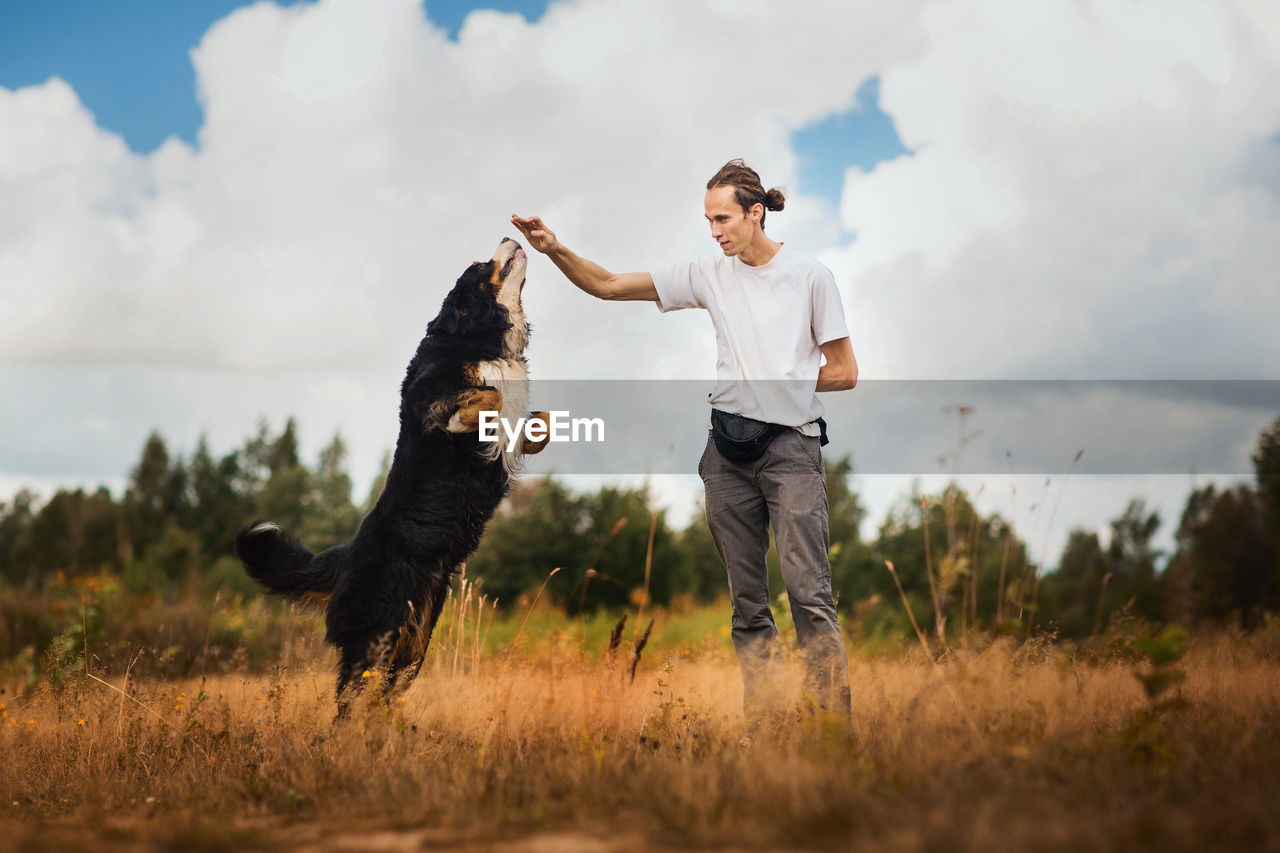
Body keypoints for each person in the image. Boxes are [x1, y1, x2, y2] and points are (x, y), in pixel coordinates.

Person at [512, 159, 857, 723]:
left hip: (792, 450)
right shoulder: (707, 273)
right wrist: (554, 248)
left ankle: (833, 735)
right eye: (708, 221)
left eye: (723, 219)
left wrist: (780, 377)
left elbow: (844, 371)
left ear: (756, 212)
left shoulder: (810, 276)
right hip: (726, 454)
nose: (715, 231)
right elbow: (608, 285)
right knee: (748, 606)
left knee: (808, 596)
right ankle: (765, 731)